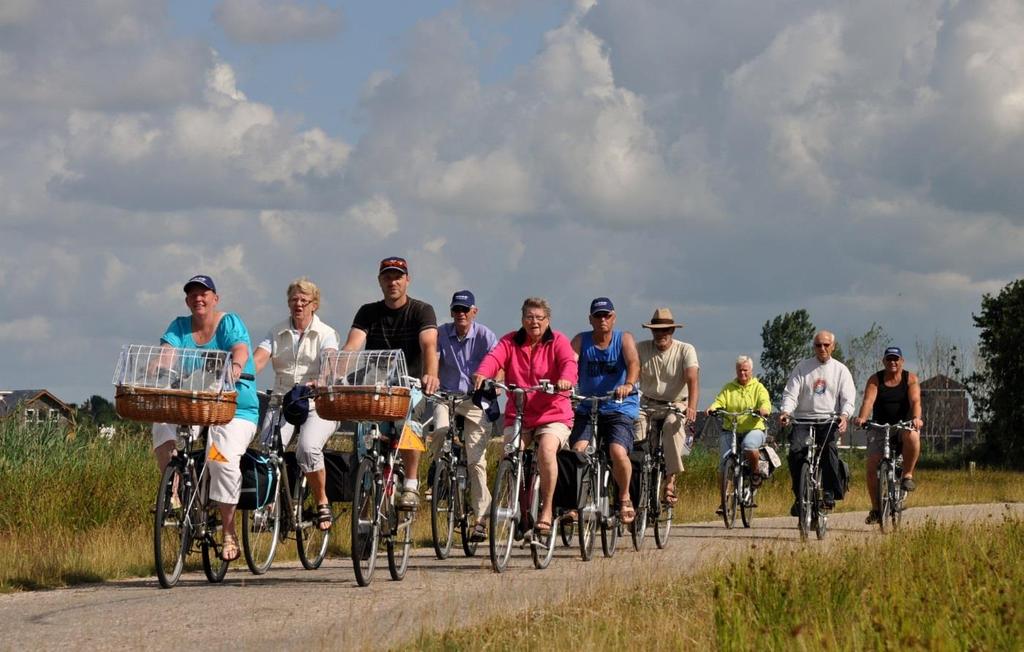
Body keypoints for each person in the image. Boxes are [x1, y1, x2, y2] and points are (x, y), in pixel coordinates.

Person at [151, 275, 258, 562]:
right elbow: (167, 353)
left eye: (204, 294)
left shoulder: (229, 322)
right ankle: (173, 488)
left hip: (233, 407)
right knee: (162, 423)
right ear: (187, 301)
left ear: (215, 298)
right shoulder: (179, 326)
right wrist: (155, 366)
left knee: (219, 458)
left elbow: (239, 349)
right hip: (195, 402)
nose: (199, 299)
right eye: (193, 295)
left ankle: (228, 531)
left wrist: (235, 367)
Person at [472, 297, 577, 537]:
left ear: (547, 320)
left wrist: (565, 380)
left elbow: (568, 364)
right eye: (529, 317)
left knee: (546, 451)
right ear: (522, 319)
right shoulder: (510, 341)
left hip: (553, 413)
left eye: (539, 318)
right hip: (519, 413)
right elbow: (494, 358)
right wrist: (482, 372)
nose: (534, 322)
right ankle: (518, 507)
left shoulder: (558, 341)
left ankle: (547, 510)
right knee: (510, 453)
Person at [341, 257, 439, 509]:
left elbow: (429, 345)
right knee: (363, 431)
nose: (392, 282)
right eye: (387, 277)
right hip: (376, 383)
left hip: (410, 383)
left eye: (397, 276)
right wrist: (336, 373)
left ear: (407, 280)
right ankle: (364, 485)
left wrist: (430, 374)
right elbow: (353, 346)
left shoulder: (421, 310)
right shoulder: (368, 312)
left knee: (409, 423)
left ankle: (411, 485)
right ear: (379, 281)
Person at [253, 277, 340, 531]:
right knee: (268, 449)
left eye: (304, 300)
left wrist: (323, 380)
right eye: (294, 300)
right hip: (282, 401)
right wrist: (243, 375)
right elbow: (259, 359)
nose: (298, 304)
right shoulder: (277, 331)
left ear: (314, 305)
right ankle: (269, 504)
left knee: (308, 448)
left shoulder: (326, 334)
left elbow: (330, 358)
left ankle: (322, 500)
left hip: (316, 403)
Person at [428, 290, 499, 542]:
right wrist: (432, 378)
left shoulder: (485, 335)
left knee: (475, 460)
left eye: (465, 310)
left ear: (474, 312)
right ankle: (438, 470)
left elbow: (498, 363)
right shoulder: (441, 333)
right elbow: (433, 360)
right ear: (451, 311)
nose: (461, 314)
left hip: (474, 399)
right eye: (457, 309)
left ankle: (480, 519)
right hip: (446, 396)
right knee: (439, 429)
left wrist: (491, 381)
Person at [569, 297, 640, 524]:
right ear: (590, 319)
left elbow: (634, 363)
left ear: (613, 317)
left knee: (617, 451)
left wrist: (628, 384)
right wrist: (567, 383)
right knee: (577, 451)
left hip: (619, 406)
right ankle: (574, 502)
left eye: (606, 315)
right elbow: (570, 362)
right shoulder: (581, 340)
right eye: (597, 315)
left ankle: (624, 496)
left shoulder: (624, 339)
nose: (602, 320)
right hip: (588, 405)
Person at [779, 330, 856, 517]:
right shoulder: (802, 367)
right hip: (803, 419)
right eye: (818, 345)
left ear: (833, 347)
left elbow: (848, 398)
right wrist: (786, 411)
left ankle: (829, 492)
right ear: (813, 347)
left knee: (829, 450)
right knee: (796, 452)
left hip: (828, 420)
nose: (822, 348)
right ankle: (800, 496)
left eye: (826, 345)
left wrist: (844, 415)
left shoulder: (840, 370)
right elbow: (791, 393)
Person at [633, 307, 699, 507]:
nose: (661, 334)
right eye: (656, 330)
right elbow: (632, 374)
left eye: (665, 330)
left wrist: (692, 407)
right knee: (636, 428)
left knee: (672, 425)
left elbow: (692, 380)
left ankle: (670, 480)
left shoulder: (685, 349)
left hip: (676, 402)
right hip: (647, 402)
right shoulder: (641, 348)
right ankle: (637, 481)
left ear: (672, 331)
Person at [853, 346, 924, 525]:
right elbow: (868, 400)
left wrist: (916, 418)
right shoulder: (876, 379)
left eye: (896, 359)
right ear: (883, 361)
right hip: (879, 427)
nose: (893, 362)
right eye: (889, 359)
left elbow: (915, 401)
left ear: (901, 361)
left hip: (902, 426)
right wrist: (862, 418)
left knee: (913, 436)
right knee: (872, 464)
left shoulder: (910, 379)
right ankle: (876, 509)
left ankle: (907, 475)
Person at [706, 356, 772, 515]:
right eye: (739, 370)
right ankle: (724, 500)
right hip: (731, 429)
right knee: (723, 463)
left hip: (754, 428)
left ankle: (755, 473)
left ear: (751, 371)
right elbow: (719, 401)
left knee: (749, 446)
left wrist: (763, 409)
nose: (742, 373)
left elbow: (765, 403)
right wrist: (713, 408)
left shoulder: (758, 388)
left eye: (745, 370)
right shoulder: (729, 388)